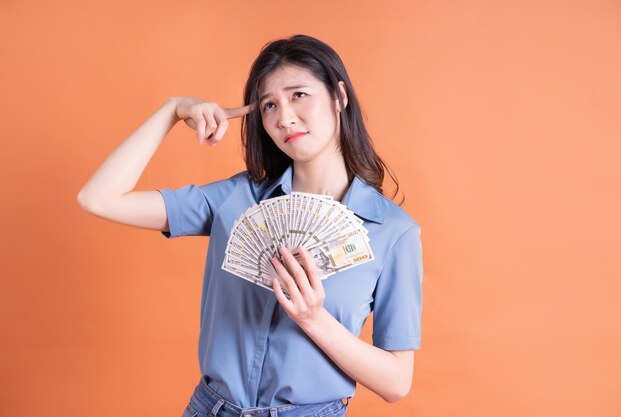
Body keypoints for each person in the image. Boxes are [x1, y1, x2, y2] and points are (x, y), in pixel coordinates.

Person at [77, 34, 423, 417]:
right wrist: (172, 110)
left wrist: (314, 320)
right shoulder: (237, 200)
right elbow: (98, 199)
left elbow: (396, 382)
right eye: (269, 105)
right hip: (210, 409)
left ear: (339, 97)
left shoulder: (392, 230)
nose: (284, 117)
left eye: (298, 95)